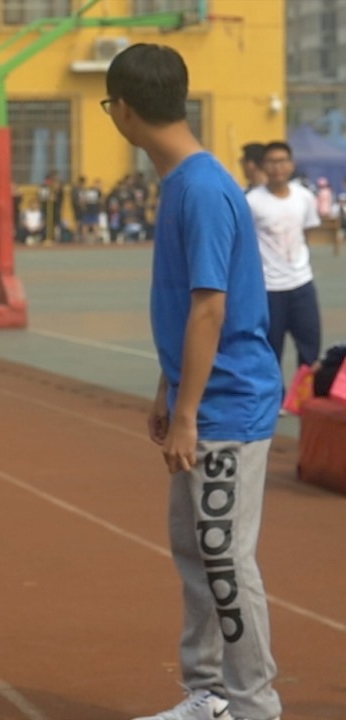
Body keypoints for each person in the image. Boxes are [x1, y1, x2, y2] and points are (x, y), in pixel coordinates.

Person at [103, 43, 284, 720]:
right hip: (201, 394)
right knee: (199, 553)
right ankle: (209, 696)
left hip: (226, 407)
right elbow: (189, 303)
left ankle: (253, 706)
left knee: (225, 558)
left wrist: (188, 414)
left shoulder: (203, 189)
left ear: (123, 110)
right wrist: (167, 385)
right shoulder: (184, 181)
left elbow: (212, 306)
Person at [245, 141, 323, 371]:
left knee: (310, 350)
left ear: (292, 165)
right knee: (269, 351)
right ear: (263, 166)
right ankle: (273, 404)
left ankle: (305, 403)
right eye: (271, 162)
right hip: (269, 289)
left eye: (282, 161)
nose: (277, 167)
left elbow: (306, 233)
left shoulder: (304, 197)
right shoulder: (252, 202)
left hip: (301, 285)